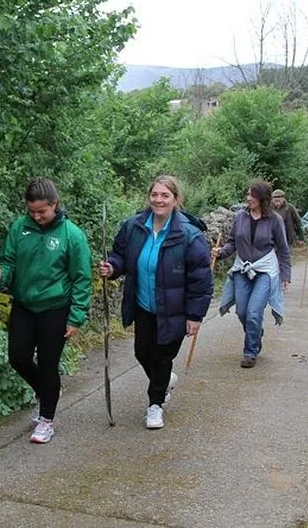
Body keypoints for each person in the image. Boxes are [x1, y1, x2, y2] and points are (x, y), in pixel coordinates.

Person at [98, 175, 213, 430]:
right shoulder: (134, 227)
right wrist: (112, 267)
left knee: (161, 357)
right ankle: (164, 382)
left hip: (174, 310)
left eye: (165, 195)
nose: (158, 200)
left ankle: (155, 404)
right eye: (154, 195)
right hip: (144, 305)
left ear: (175, 200)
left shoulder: (188, 235)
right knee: (142, 352)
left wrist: (195, 316)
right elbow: (120, 255)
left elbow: (201, 279)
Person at [0, 178, 92, 444]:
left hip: (55, 308)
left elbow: (82, 278)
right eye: (32, 211)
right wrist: (0, 275)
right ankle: (46, 392)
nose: (36, 216)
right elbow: (8, 261)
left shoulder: (72, 235)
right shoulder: (19, 227)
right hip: (24, 304)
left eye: (42, 211)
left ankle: (46, 419)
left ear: (55, 204)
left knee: (48, 364)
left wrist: (76, 316)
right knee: (18, 357)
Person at [213, 180, 292, 368]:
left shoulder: (275, 220)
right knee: (242, 311)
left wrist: (285, 275)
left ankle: (250, 351)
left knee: (254, 312)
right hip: (242, 269)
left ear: (263, 198)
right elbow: (232, 242)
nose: (248, 198)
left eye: (252, 195)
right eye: (248, 194)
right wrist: (221, 252)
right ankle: (255, 334)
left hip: (265, 270)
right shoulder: (240, 217)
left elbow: (283, 249)